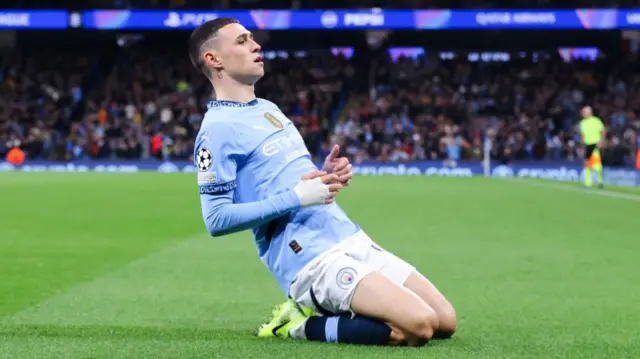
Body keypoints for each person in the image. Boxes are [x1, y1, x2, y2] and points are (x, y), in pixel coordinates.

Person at [188, 18, 456, 347]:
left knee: (444, 321)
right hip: (307, 257)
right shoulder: (217, 131)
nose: (256, 46)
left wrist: (325, 173)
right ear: (214, 59)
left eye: (253, 39)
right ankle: (296, 326)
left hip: (346, 236)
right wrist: (297, 197)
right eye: (242, 41)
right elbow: (216, 219)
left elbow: (283, 176)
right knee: (418, 326)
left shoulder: (267, 109)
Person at [579, 106, 606, 188]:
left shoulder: (596, 121)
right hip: (587, 145)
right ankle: (588, 183)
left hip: (595, 144)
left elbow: (603, 131)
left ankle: (600, 181)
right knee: (587, 164)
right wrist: (582, 144)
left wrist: (601, 141)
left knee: (596, 164)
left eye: (584, 112)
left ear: (589, 112)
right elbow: (582, 134)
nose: (583, 113)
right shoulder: (582, 122)